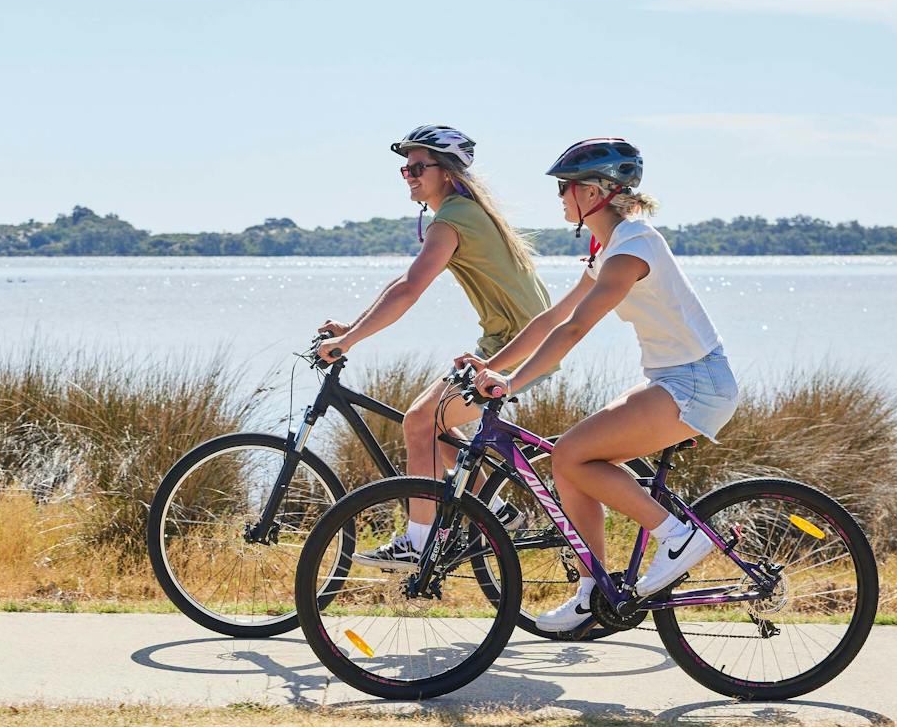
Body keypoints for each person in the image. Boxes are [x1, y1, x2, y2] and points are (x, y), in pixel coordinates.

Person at [462, 138, 739, 631]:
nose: (561, 197)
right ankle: (593, 592)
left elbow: (574, 329)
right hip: (673, 380)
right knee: (569, 464)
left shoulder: (634, 245)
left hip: (696, 383)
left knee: (570, 453)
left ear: (596, 192)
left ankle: (676, 536)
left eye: (566, 187)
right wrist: (494, 366)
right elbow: (552, 317)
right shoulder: (609, 248)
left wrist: (513, 383)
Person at [317, 125, 550, 567]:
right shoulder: (461, 213)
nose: (409, 175)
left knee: (420, 422)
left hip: (521, 346)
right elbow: (400, 284)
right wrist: (354, 326)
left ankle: (418, 541)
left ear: (445, 172)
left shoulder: (455, 219)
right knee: (435, 423)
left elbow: (409, 289)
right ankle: (495, 511)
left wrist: (349, 341)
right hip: (511, 341)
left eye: (418, 167)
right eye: (405, 169)